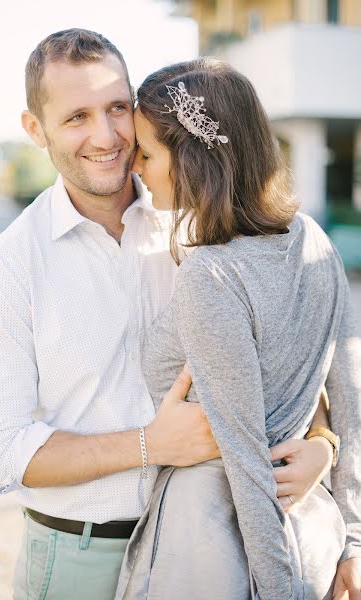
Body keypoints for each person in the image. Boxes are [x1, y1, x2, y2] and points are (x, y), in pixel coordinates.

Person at [0, 30, 336, 600]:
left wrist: (320, 444)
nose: (107, 136)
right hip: (79, 558)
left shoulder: (195, 210)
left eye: (117, 108)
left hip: (215, 550)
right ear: (35, 129)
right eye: (76, 117)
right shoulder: (13, 263)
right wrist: (148, 444)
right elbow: (1, 449)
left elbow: (289, 350)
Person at [114, 59, 361, 600]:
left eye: (148, 153)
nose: (136, 166)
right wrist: (354, 539)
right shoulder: (314, 239)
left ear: (193, 159)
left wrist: (277, 592)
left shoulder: (212, 273)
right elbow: (350, 401)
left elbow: (246, 459)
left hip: (213, 543)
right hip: (307, 530)